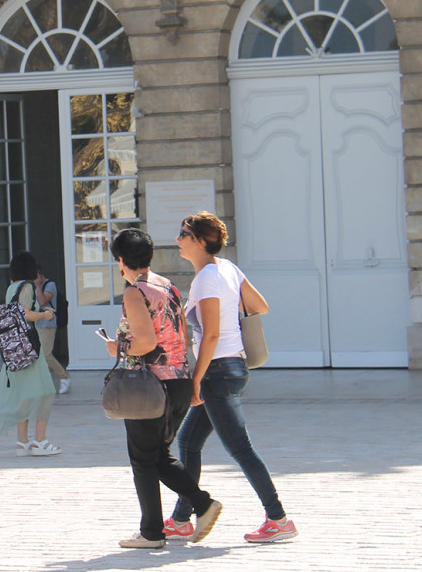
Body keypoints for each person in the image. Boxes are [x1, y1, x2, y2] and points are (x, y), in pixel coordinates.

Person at [172, 211, 297, 544]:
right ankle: (182, 518)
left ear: (199, 241)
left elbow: (210, 335)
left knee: (240, 448)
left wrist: (195, 379)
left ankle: (278, 518)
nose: (178, 239)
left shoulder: (207, 279)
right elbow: (260, 306)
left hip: (217, 371)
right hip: (232, 368)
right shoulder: (227, 269)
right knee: (188, 442)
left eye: (183, 234)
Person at [105, 228, 210, 549]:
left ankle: (160, 528)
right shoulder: (168, 286)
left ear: (121, 261)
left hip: (150, 385)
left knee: (143, 458)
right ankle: (168, 521)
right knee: (156, 456)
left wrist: (117, 347)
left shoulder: (135, 292)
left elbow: (146, 342)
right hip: (178, 381)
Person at [0, 251, 61, 456]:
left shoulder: (11, 288)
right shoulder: (28, 286)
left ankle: (22, 442)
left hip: (14, 351)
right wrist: (45, 314)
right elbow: (26, 314)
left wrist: (38, 308)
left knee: (24, 395)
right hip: (30, 349)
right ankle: (40, 441)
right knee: (46, 392)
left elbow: (16, 311)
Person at [35, 268, 70, 394]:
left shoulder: (50, 285)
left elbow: (43, 301)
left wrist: (38, 286)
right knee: (38, 356)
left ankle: (63, 377)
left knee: (46, 354)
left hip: (48, 324)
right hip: (37, 324)